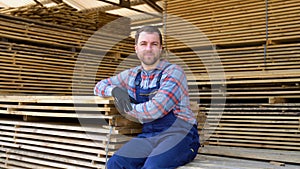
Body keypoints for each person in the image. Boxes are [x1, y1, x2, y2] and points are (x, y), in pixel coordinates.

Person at [94, 25, 200, 169]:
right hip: (150, 135)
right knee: (115, 164)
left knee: (152, 167)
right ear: (136, 48)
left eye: (154, 44)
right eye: (143, 44)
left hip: (180, 135)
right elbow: (99, 86)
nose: (148, 48)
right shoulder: (132, 75)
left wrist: (126, 108)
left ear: (161, 48)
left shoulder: (174, 72)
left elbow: (155, 109)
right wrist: (115, 91)